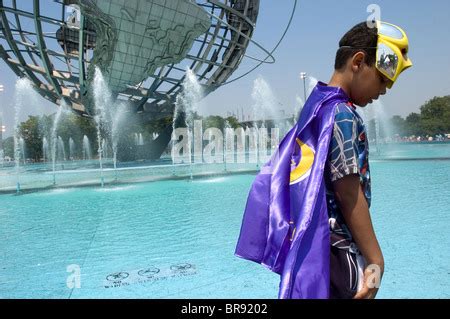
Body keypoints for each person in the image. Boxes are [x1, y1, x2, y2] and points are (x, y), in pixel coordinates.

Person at [235, 20, 412, 299]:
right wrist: (377, 261)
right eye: (381, 79)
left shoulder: (316, 107)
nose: (384, 90)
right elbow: (348, 193)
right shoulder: (343, 114)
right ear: (358, 62)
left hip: (317, 249)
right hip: (342, 254)